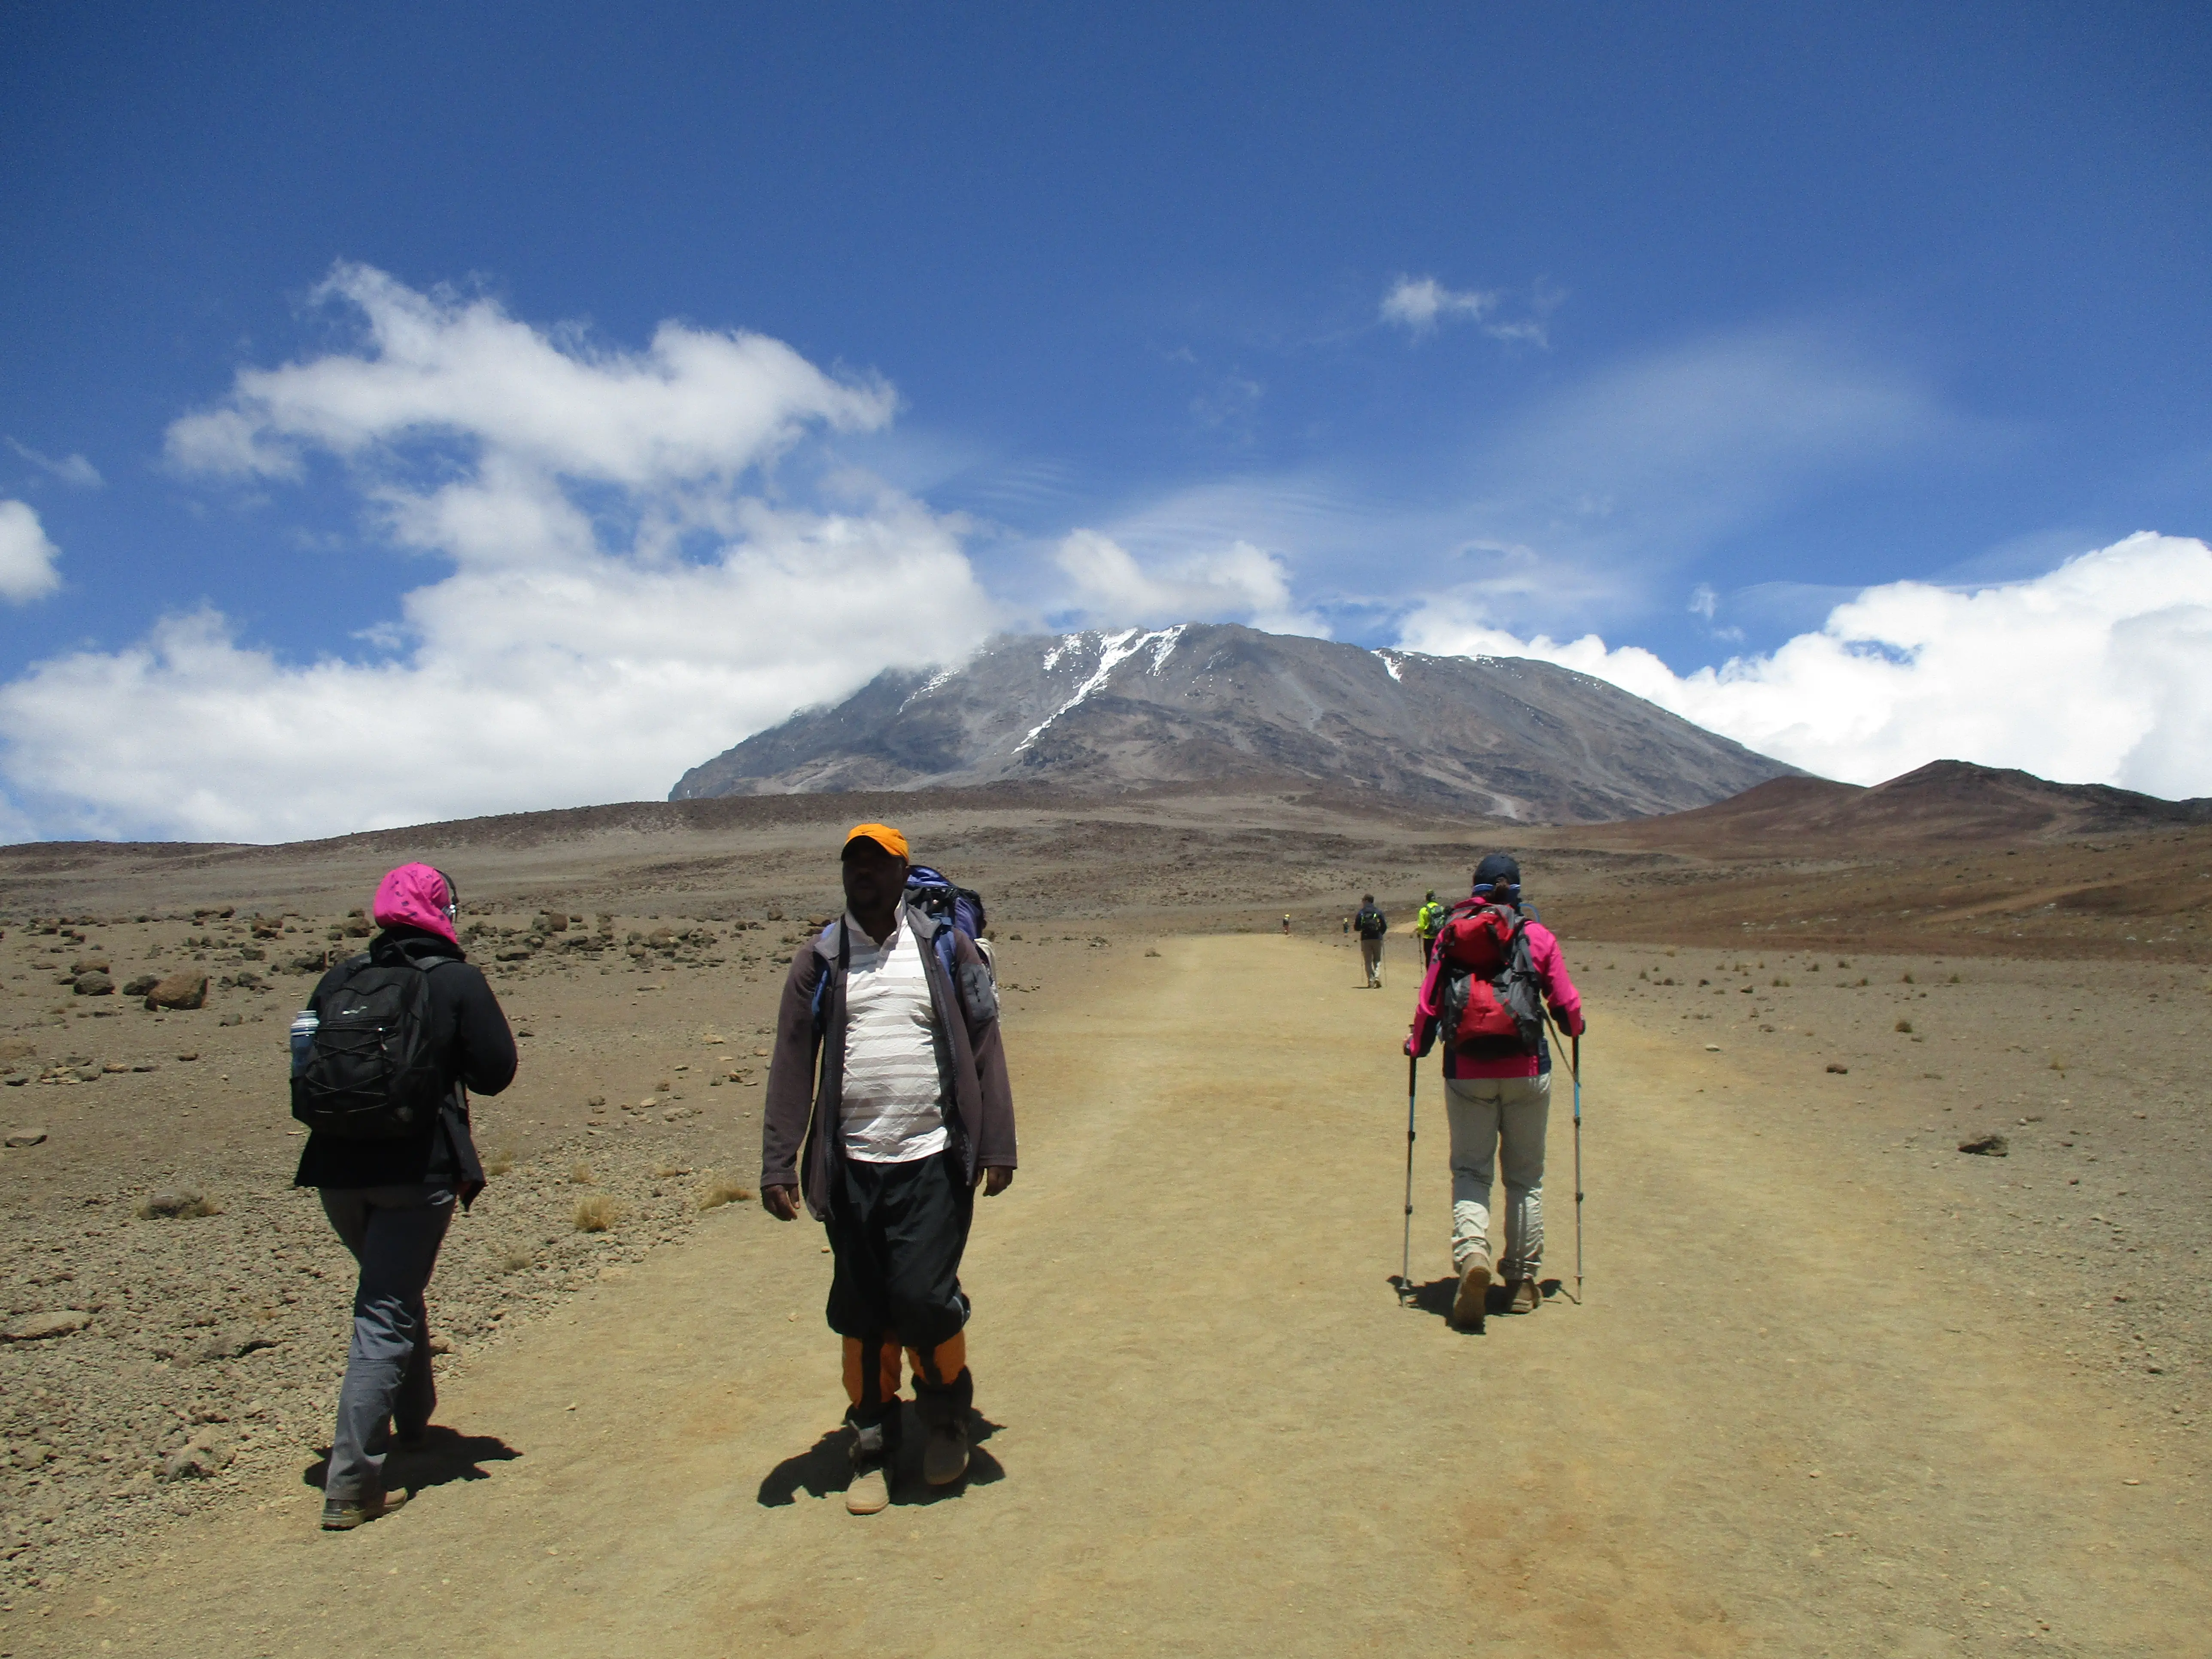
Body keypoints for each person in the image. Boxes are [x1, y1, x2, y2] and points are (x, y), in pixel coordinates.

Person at [761, 823, 1017, 1516]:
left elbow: (986, 1040)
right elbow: (791, 1057)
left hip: (931, 1159)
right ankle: (871, 1441)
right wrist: (777, 1158)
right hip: (851, 1168)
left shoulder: (943, 945)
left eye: (877, 864)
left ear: (903, 873)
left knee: (924, 1296)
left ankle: (942, 1417)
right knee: (862, 1308)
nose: (863, 874)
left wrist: (997, 1142)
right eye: (853, 864)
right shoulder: (821, 958)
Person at [296, 863, 515, 1530]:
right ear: (444, 908)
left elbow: (305, 1067)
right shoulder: (454, 979)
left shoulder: (340, 978)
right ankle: (353, 1483)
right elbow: (496, 1072)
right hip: (416, 1172)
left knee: (390, 1286)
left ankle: (415, 1421)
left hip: (335, 1169)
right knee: (386, 1306)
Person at [1404, 854, 1583, 1326]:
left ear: (1475, 889)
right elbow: (1567, 1006)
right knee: (1525, 1177)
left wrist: (1416, 1046)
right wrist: (1575, 1027)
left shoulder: (1451, 935)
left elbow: (1428, 1003)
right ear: (1517, 890)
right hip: (1527, 1069)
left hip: (1466, 1070)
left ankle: (1473, 1257)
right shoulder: (1536, 936)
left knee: (1471, 1170)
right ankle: (1523, 1282)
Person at [1354, 893, 1389, 988]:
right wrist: (1380, 933)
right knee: (1377, 959)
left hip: (1366, 939)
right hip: (1377, 938)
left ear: (1366, 901)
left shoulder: (1361, 913)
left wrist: (1363, 929)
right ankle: (1377, 976)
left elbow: (1356, 927)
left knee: (1368, 961)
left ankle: (1371, 980)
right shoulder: (1378, 912)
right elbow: (1384, 926)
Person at [1415, 890, 1445, 966]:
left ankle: (1430, 976)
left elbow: (1421, 926)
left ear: (1427, 899)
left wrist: (1419, 933)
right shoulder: (1441, 908)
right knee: (1440, 957)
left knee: (1429, 958)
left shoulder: (1424, 910)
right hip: (1440, 938)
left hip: (1428, 938)